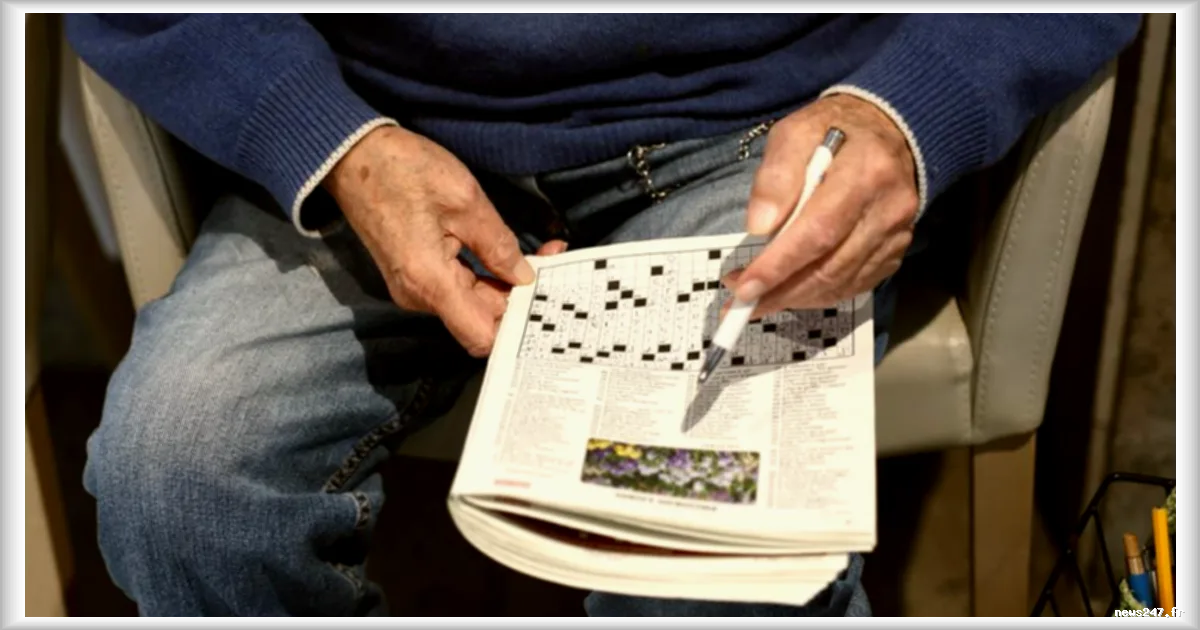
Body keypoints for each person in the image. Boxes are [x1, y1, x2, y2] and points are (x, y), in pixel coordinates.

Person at [65, 13, 1141, 617]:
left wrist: (908, 112)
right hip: (373, 134)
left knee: (699, 553)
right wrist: (329, 142)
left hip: (759, 138)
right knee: (179, 477)